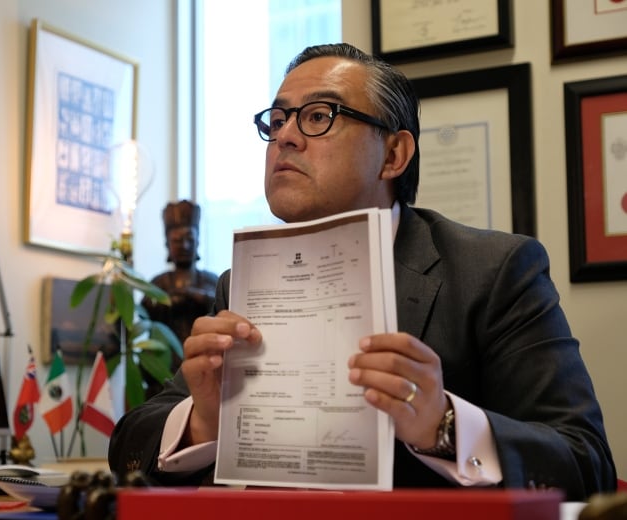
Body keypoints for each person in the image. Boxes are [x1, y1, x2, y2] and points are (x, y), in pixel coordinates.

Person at [108, 43, 616, 500]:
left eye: (317, 116)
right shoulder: (238, 282)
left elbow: (585, 463)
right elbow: (130, 447)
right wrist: (202, 421)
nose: (284, 136)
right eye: (278, 120)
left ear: (393, 154)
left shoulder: (496, 270)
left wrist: (442, 424)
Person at [141, 200, 219, 371]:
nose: (184, 246)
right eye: (177, 241)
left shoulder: (212, 280)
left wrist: (197, 296)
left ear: (198, 241)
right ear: (167, 244)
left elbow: (225, 307)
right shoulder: (158, 283)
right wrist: (167, 301)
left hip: (207, 363)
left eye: (189, 239)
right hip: (166, 364)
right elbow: (144, 315)